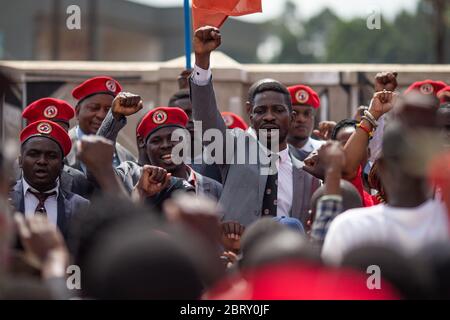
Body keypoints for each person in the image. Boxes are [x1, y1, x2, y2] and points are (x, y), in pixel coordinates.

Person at [190, 26, 320, 227]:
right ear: (250, 114)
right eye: (261, 111)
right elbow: (206, 121)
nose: (269, 117)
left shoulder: (306, 170)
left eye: (277, 110)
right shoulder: (234, 149)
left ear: (292, 117)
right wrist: (202, 61)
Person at [322, 120, 449, 265]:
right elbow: (348, 170)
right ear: (382, 167)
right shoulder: (352, 226)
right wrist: (371, 116)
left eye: (421, 161)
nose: (412, 171)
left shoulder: (445, 223)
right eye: (402, 160)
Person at [97, 103, 222, 200]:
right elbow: (97, 171)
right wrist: (114, 117)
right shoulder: (129, 176)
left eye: (174, 138)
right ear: (144, 145)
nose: (166, 145)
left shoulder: (214, 188)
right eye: (156, 141)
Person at [10, 120, 90, 241]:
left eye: (51, 156)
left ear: (62, 165)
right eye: (34, 154)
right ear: (20, 161)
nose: (42, 161)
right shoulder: (5, 199)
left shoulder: (81, 207)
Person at [18, 97, 93, 198]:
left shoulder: (79, 181)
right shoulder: (6, 176)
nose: (53, 139)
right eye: (44, 132)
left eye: (60, 133)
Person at [66, 76, 136, 172]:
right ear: (77, 112)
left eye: (109, 110)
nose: (101, 116)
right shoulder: (63, 148)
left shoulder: (124, 155)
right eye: (94, 108)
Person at [287, 84, 325, 160]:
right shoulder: (270, 152)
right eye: (294, 113)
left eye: (307, 113)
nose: (301, 119)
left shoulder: (324, 151)